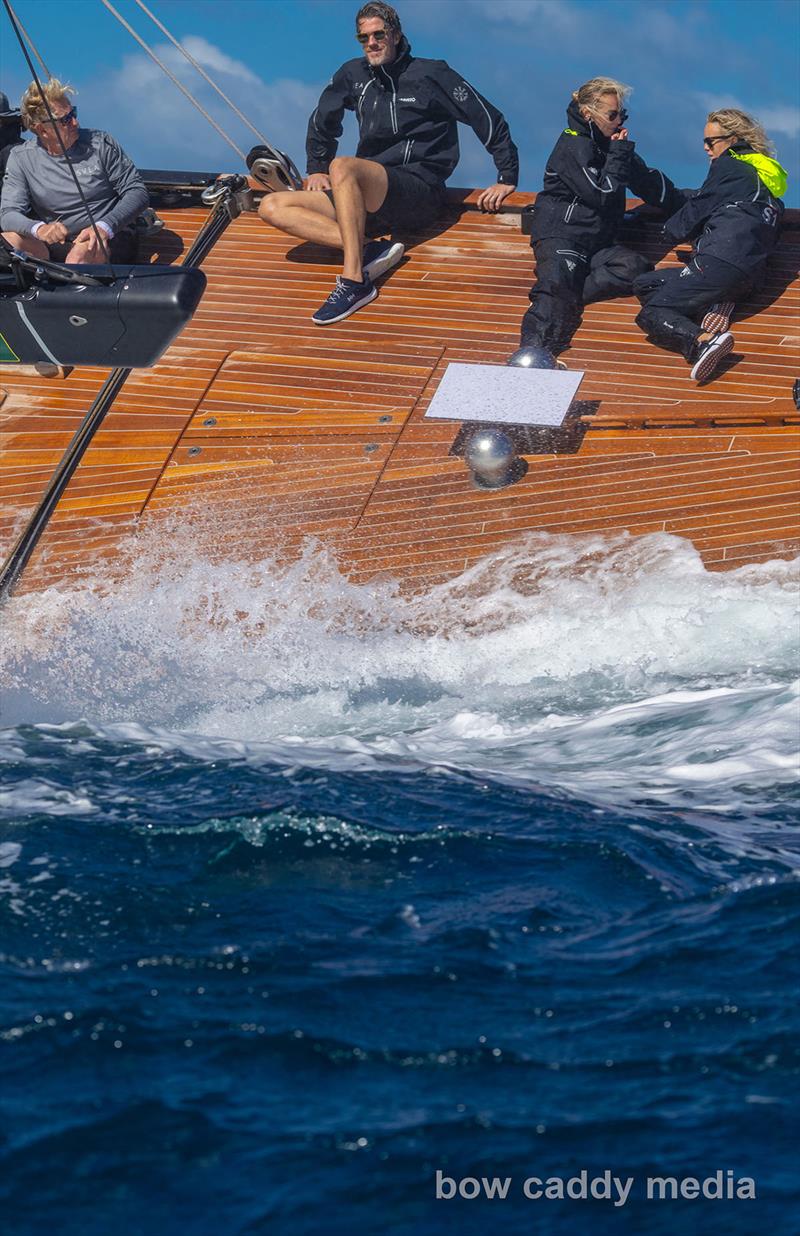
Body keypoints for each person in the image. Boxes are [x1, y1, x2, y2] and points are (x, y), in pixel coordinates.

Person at [259, 1, 519, 325]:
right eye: (364, 38)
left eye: (379, 35)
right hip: (367, 196)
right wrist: (315, 167)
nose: (372, 43)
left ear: (395, 34)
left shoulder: (431, 73)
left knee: (343, 166)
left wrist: (507, 174)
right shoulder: (353, 75)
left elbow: (485, 116)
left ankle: (355, 282)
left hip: (418, 190)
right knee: (271, 205)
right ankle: (370, 250)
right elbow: (322, 119)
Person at [519, 77, 682, 358]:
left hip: (597, 242)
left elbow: (649, 183)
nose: (619, 121)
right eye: (613, 115)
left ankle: (568, 297)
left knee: (634, 267)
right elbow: (602, 193)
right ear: (588, 114)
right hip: (564, 234)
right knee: (554, 288)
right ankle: (532, 352)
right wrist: (619, 155)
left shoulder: (611, 147)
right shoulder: (573, 145)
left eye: (623, 114)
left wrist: (694, 206)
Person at [633, 108, 786, 383]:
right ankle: (717, 301)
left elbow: (695, 212)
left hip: (720, 261)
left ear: (734, 139)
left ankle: (703, 341)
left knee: (653, 312)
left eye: (710, 142)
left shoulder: (729, 167)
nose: (705, 148)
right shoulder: (768, 189)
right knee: (645, 283)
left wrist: (666, 232)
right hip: (750, 278)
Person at [0, 78, 148, 264]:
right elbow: (8, 214)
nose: (76, 123)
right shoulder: (21, 157)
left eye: (73, 114)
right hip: (55, 241)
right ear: (42, 130)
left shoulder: (101, 143)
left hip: (109, 234)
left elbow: (137, 192)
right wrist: (39, 229)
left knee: (77, 258)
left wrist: (104, 226)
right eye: (66, 120)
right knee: (9, 242)